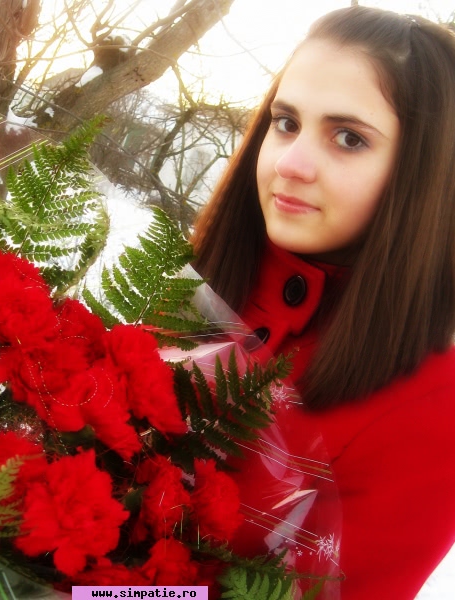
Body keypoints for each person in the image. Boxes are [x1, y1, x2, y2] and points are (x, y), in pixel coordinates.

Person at [191, 6, 455, 599]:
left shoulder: (435, 407)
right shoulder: (199, 280)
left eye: (349, 138)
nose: (290, 164)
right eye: (286, 123)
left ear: (423, 176)